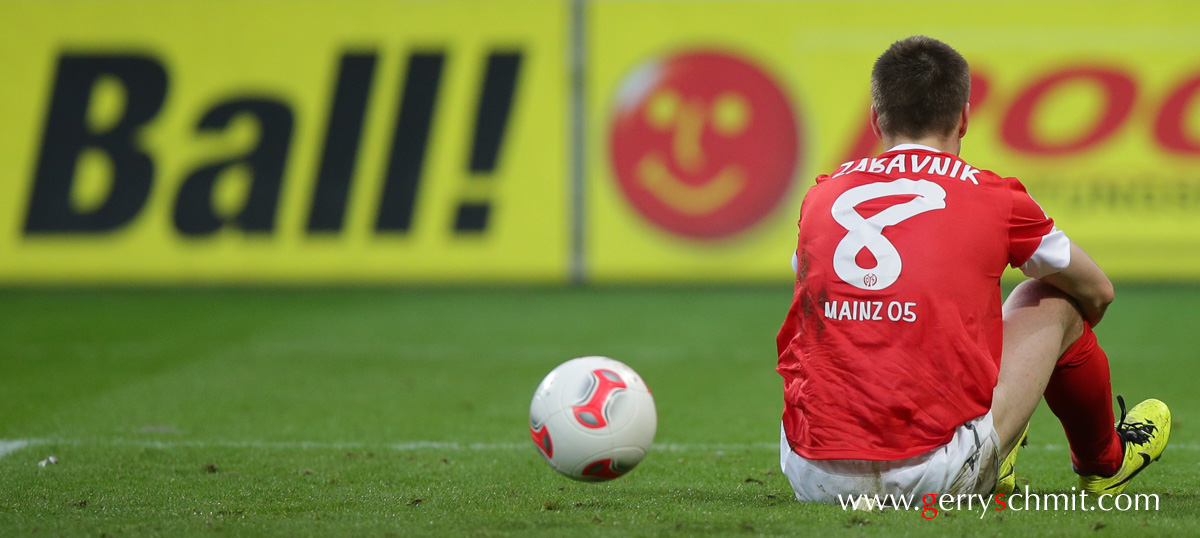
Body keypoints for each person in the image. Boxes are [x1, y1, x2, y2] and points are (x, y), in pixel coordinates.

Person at [776, 35, 1170, 504]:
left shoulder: (821, 195)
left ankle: (991, 437)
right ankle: (1104, 461)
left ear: (876, 118)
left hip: (811, 473)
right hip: (933, 475)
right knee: (1053, 297)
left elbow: (807, 282)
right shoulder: (995, 197)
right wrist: (1046, 359)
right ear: (964, 116)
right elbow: (1098, 290)